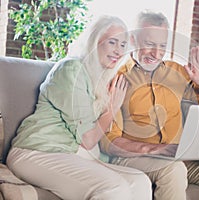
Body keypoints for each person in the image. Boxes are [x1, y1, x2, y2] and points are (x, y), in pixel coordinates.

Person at [6, 15, 152, 200]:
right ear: (94, 42)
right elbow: (87, 139)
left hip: (70, 153)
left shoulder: (100, 78)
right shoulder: (72, 69)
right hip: (36, 151)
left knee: (140, 181)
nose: (118, 51)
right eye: (112, 42)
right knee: (113, 188)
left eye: (123, 45)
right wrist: (112, 108)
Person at [100, 11, 199, 200]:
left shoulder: (178, 72)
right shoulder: (117, 78)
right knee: (172, 170)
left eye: (162, 46)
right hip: (133, 157)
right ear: (133, 39)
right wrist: (155, 149)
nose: (156, 54)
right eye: (149, 44)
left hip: (177, 157)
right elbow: (109, 142)